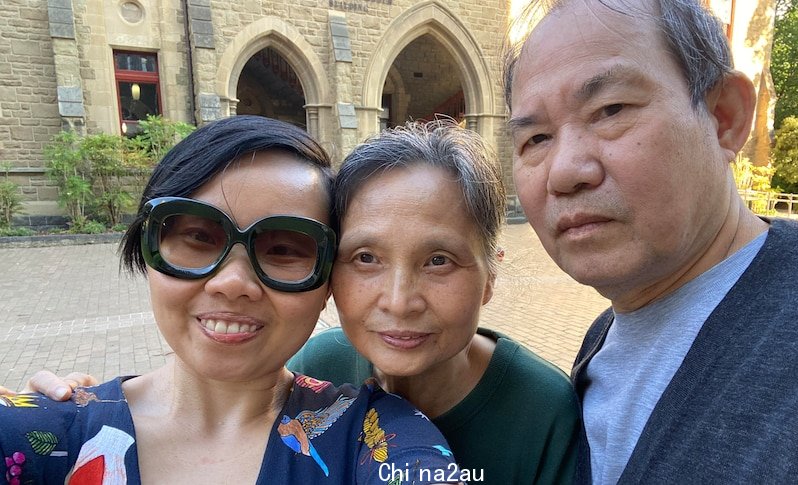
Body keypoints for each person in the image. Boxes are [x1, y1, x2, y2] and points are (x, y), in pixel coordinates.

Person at [10, 120, 578, 484]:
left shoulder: (377, 429)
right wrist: (62, 413)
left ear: (489, 278)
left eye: (282, 247)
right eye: (198, 236)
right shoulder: (323, 364)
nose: (400, 301)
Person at [503, 0, 798, 483]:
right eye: (537, 139)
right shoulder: (603, 341)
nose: (565, 171)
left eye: (610, 110)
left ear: (723, 118)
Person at [289, 120, 578, 484]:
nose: (399, 302)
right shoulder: (315, 372)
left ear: (489, 276)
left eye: (438, 260)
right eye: (365, 257)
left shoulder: (543, 411)